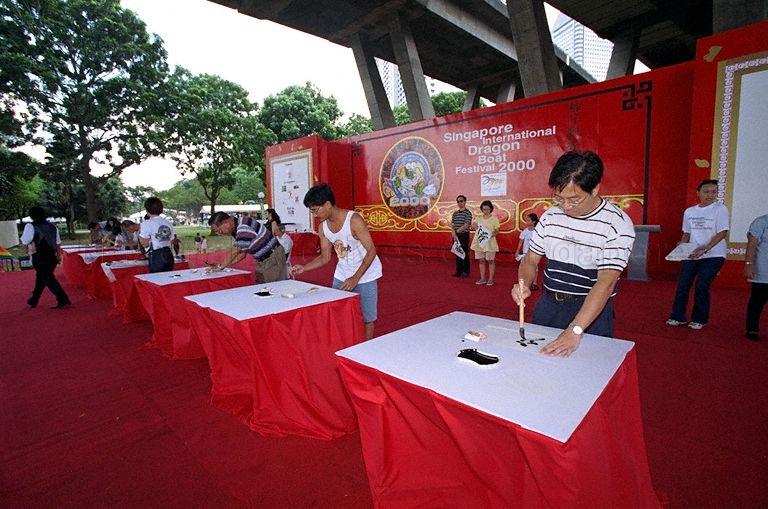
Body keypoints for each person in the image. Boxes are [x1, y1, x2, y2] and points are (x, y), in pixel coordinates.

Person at [511, 151, 636, 357]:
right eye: (559, 198)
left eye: (574, 200)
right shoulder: (551, 215)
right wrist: (523, 283)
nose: (566, 207)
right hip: (549, 304)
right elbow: (531, 259)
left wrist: (576, 329)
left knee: (587, 372)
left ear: (595, 189)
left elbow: (605, 282)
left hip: (590, 311)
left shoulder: (617, 224)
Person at [290, 183, 382, 340]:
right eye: (311, 211)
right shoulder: (323, 227)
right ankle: (344, 346)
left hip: (366, 274)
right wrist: (304, 268)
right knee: (337, 312)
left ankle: (366, 349)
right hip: (342, 275)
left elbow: (371, 251)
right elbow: (325, 257)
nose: (314, 214)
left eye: (315, 210)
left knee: (368, 318)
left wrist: (355, 278)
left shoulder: (354, 220)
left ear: (327, 204)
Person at [667, 179, 729, 330]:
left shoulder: (720, 209)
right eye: (706, 192)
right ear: (698, 193)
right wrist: (681, 244)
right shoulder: (689, 211)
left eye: (713, 192)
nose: (710, 195)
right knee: (683, 285)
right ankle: (677, 316)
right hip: (692, 253)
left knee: (702, 285)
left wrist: (705, 249)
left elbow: (722, 233)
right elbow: (687, 233)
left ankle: (699, 319)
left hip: (714, 255)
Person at [208, 211, 286, 283]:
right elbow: (242, 254)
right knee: (263, 284)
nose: (220, 233)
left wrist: (221, 266)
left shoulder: (243, 227)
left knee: (272, 288)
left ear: (226, 222)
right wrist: (222, 265)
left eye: (219, 231)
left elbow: (235, 251)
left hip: (272, 257)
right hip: (264, 259)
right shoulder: (236, 228)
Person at [21, 206, 71, 309]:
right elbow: (58, 243)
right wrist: (58, 255)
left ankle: (63, 299)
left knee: (48, 278)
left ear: (31, 215)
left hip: (39, 257)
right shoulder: (52, 226)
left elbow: (25, 241)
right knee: (42, 278)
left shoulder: (30, 226)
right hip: (51, 256)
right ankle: (33, 300)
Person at [743, 214, 767, 340]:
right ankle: (752, 329)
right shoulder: (761, 222)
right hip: (763, 270)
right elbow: (752, 244)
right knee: (757, 301)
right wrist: (748, 264)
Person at [139, 197, 175, 273]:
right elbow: (172, 240)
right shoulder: (168, 223)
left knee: (156, 279)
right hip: (168, 254)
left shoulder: (146, 223)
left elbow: (144, 244)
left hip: (156, 255)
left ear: (147, 210)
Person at [470, 200, 500, 286]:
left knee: (490, 261)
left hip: (490, 242)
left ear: (491, 209)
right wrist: (473, 225)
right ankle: (482, 278)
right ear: (481, 209)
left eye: (487, 209)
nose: (485, 211)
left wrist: (491, 234)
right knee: (481, 261)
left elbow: (497, 230)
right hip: (479, 242)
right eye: (484, 209)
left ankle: (490, 279)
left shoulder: (494, 219)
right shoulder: (478, 218)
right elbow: (473, 226)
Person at [515, 213, 540, 290]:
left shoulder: (538, 231)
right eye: (527, 220)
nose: (527, 222)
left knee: (534, 268)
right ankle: (523, 283)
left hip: (534, 253)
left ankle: (534, 283)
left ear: (534, 221)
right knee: (523, 268)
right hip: (525, 253)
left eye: (529, 220)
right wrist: (517, 251)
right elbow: (521, 242)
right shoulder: (525, 231)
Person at [451, 195, 472, 278]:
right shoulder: (455, 213)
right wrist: (454, 234)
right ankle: (458, 271)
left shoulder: (468, 213)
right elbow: (452, 225)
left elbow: (466, 225)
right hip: (455, 235)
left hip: (463, 235)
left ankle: (466, 272)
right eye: (458, 201)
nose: (460, 203)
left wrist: (457, 232)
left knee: (464, 253)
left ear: (465, 202)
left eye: (461, 201)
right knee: (457, 252)